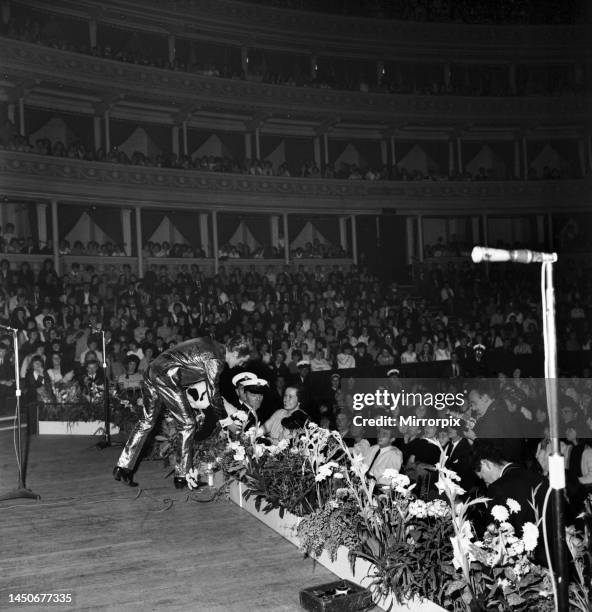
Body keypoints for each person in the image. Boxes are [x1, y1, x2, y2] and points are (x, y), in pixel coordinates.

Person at [114, 334, 251, 488]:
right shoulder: (216, 359)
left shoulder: (210, 343)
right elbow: (213, 395)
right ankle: (182, 476)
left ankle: (122, 467)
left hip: (152, 371)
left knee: (146, 422)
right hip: (166, 376)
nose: (240, 365)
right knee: (187, 424)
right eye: (242, 361)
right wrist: (228, 422)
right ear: (235, 353)